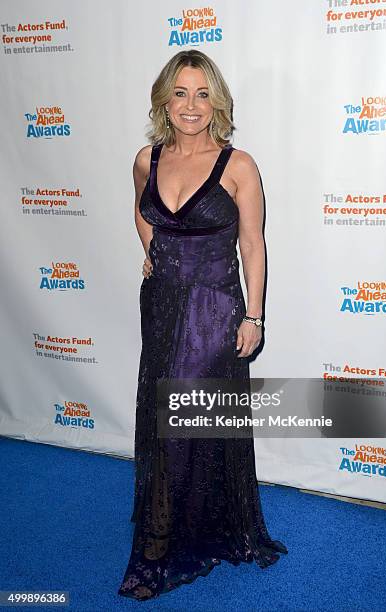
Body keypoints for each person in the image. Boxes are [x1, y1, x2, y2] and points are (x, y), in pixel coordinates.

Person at [117, 49, 288, 602]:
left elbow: (253, 246)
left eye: (203, 93)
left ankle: (158, 545)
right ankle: (189, 522)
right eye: (181, 93)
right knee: (162, 411)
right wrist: (153, 254)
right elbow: (144, 213)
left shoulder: (238, 165)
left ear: (217, 101)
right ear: (165, 99)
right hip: (161, 306)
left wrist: (254, 315)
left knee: (181, 415)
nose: (192, 105)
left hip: (214, 311)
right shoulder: (147, 158)